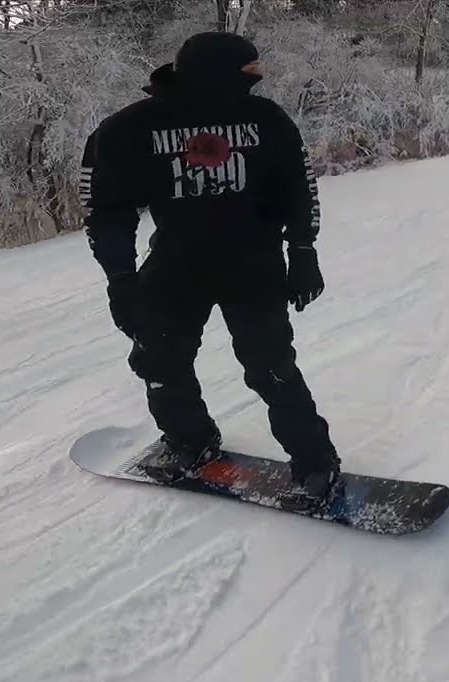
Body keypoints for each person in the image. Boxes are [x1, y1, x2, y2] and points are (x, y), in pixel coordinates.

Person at [80, 31, 342, 506]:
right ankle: (190, 438)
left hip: (254, 262)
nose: (253, 87)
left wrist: (303, 249)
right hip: (177, 263)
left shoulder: (266, 120)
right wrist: (120, 279)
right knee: (158, 360)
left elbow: (298, 188)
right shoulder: (132, 128)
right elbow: (106, 210)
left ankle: (315, 460)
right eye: (246, 76)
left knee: (271, 367)